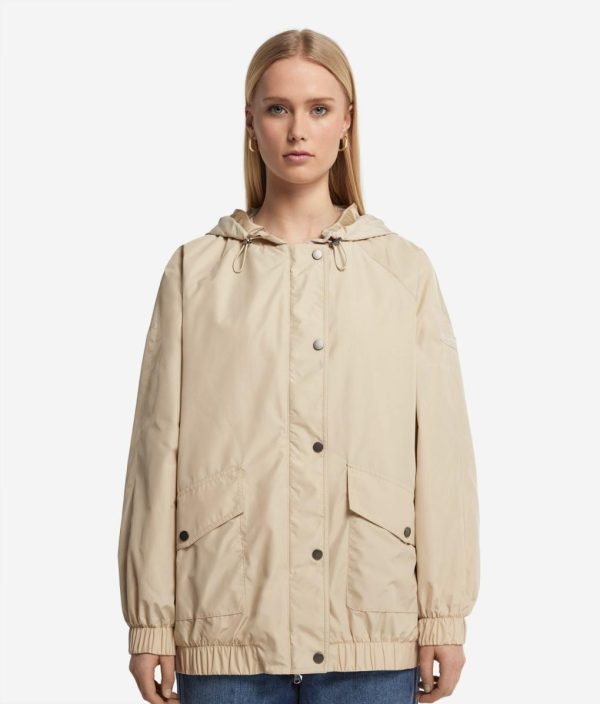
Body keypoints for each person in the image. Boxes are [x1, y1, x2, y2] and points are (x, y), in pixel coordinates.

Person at [118, 27, 480, 704]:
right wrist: (150, 622)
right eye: (277, 108)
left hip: (371, 619)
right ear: (249, 122)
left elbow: (443, 455)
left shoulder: (402, 271)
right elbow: (154, 453)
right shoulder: (195, 272)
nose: (297, 129)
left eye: (318, 108)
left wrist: (443, 615)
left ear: (348, 122)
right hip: (224, 620)